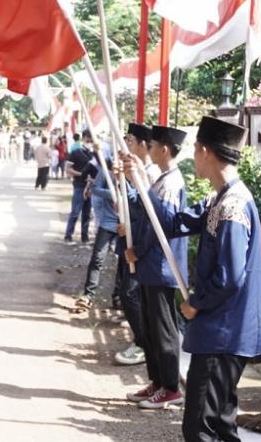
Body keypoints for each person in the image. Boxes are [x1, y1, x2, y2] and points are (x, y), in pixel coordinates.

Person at [174, 117, 261, 441]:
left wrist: (195, 304)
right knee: (221, 425)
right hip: (227, 330)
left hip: (224, 331)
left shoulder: (232, 207)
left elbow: (229, 277)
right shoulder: (223, 197)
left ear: (204, 150)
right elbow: (182, 220)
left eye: (194, 152)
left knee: (200, 426)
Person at [122, 125, 188, 409]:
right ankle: (158, 380)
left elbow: (163, 224)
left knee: (163, 328)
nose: (149, 150)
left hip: (163, 264)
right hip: (152, 263)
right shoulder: (162, 179)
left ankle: (171, 385)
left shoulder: (171, 183)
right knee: (150, 327)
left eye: (153, 145)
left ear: (164, 149)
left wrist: (139, 249)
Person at [112, 122, 157, 368]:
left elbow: (151, 211)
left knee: (131, 292)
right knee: (127, 292)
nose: (126, 144)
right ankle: (142, 340)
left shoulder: (150, 174)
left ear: (142, 145)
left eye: (130, 140)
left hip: (142, 246)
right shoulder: (135, 171)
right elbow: (131, 203)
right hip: (130, 242)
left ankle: (143, 343)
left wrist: (130, 230)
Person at [75, 161, 119, 310]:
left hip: (127, 224)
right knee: (97, 259)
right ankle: (88, 295)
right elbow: (95, 189)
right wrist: (113, 195)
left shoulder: (134, 171)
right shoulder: (106, 172)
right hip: (107, 222)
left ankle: (118, 297)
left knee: (124, 264)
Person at [64, 130, 96, 243]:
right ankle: (68, 235)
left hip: (91, 187)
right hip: (79, 185)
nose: (90, 141)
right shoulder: (75, 152)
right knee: (75, 212)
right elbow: (68, 169)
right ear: (83, 138)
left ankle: (85, 236)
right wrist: (80, 174)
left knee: (87, 213)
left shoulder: (94, 154)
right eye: (88, 139)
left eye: (91, 139)